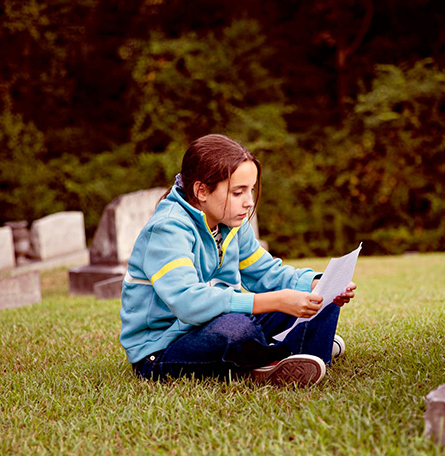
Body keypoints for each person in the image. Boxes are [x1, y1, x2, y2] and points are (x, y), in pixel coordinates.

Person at [119, 134, 356, 386]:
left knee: (320, 298)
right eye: (238, 192)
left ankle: (283, 357)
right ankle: (287, 353)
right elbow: (188, 303)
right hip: (162, 348)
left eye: (251, 190)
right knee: (236, 329)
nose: (249, 202)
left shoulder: (232, 223)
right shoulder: (168, 228)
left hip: (214, 324)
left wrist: (319, 283)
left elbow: (267, 274)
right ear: (201, 190)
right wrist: (276, 300)